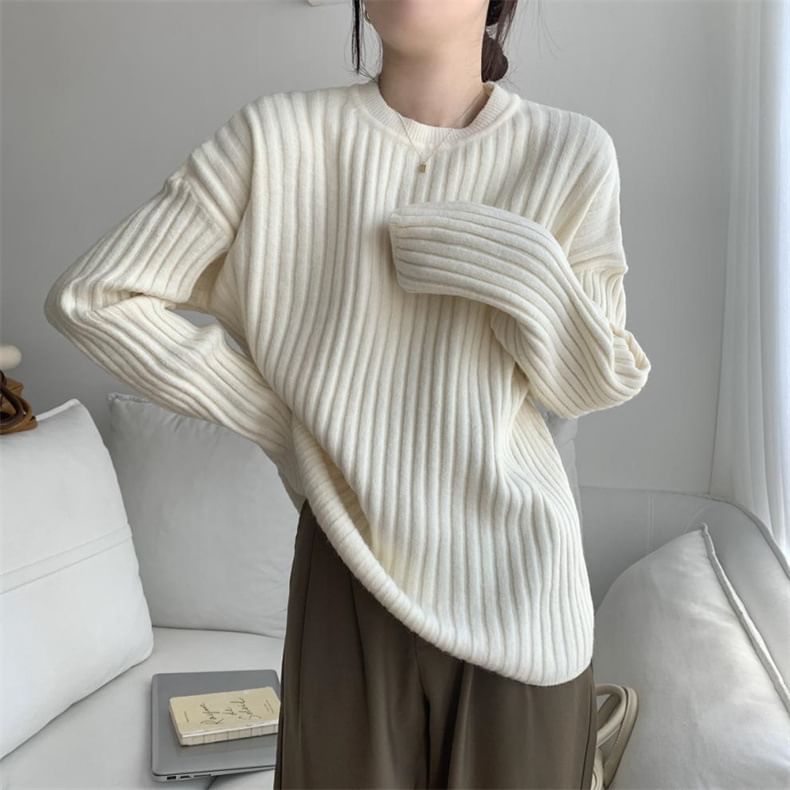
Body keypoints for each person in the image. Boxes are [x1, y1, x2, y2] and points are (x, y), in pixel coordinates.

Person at [44, 0, 652, 786]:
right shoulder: (275, 139)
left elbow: (594, 380)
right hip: (347, 571)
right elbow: (93, 298)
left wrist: (524, 268)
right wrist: (283, 423)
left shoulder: (569, 152)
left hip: (521, 589)